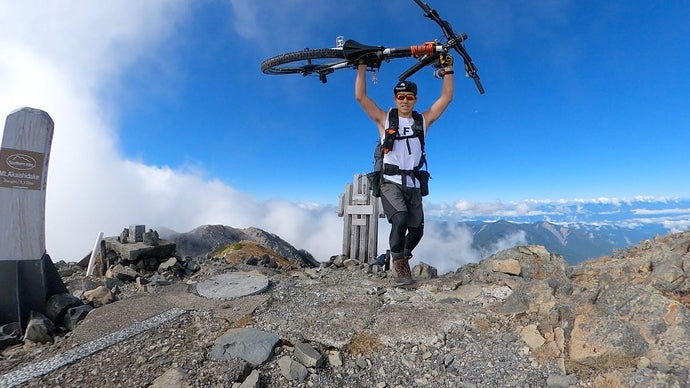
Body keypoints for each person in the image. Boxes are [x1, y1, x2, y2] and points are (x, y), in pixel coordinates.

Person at [354, 55, 454, 285]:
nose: (405, 101)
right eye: (401, 97)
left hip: (414, 185)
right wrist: (361, 65)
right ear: (395, 99)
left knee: (417, 231)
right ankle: (400, 263)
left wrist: (448, 68)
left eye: (409, 97)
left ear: (415, 100)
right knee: (399, 220)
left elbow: (446, 98)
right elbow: (361, 97)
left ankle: (399, 253)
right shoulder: (384, 119)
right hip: (390, 181)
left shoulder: (423, 121)